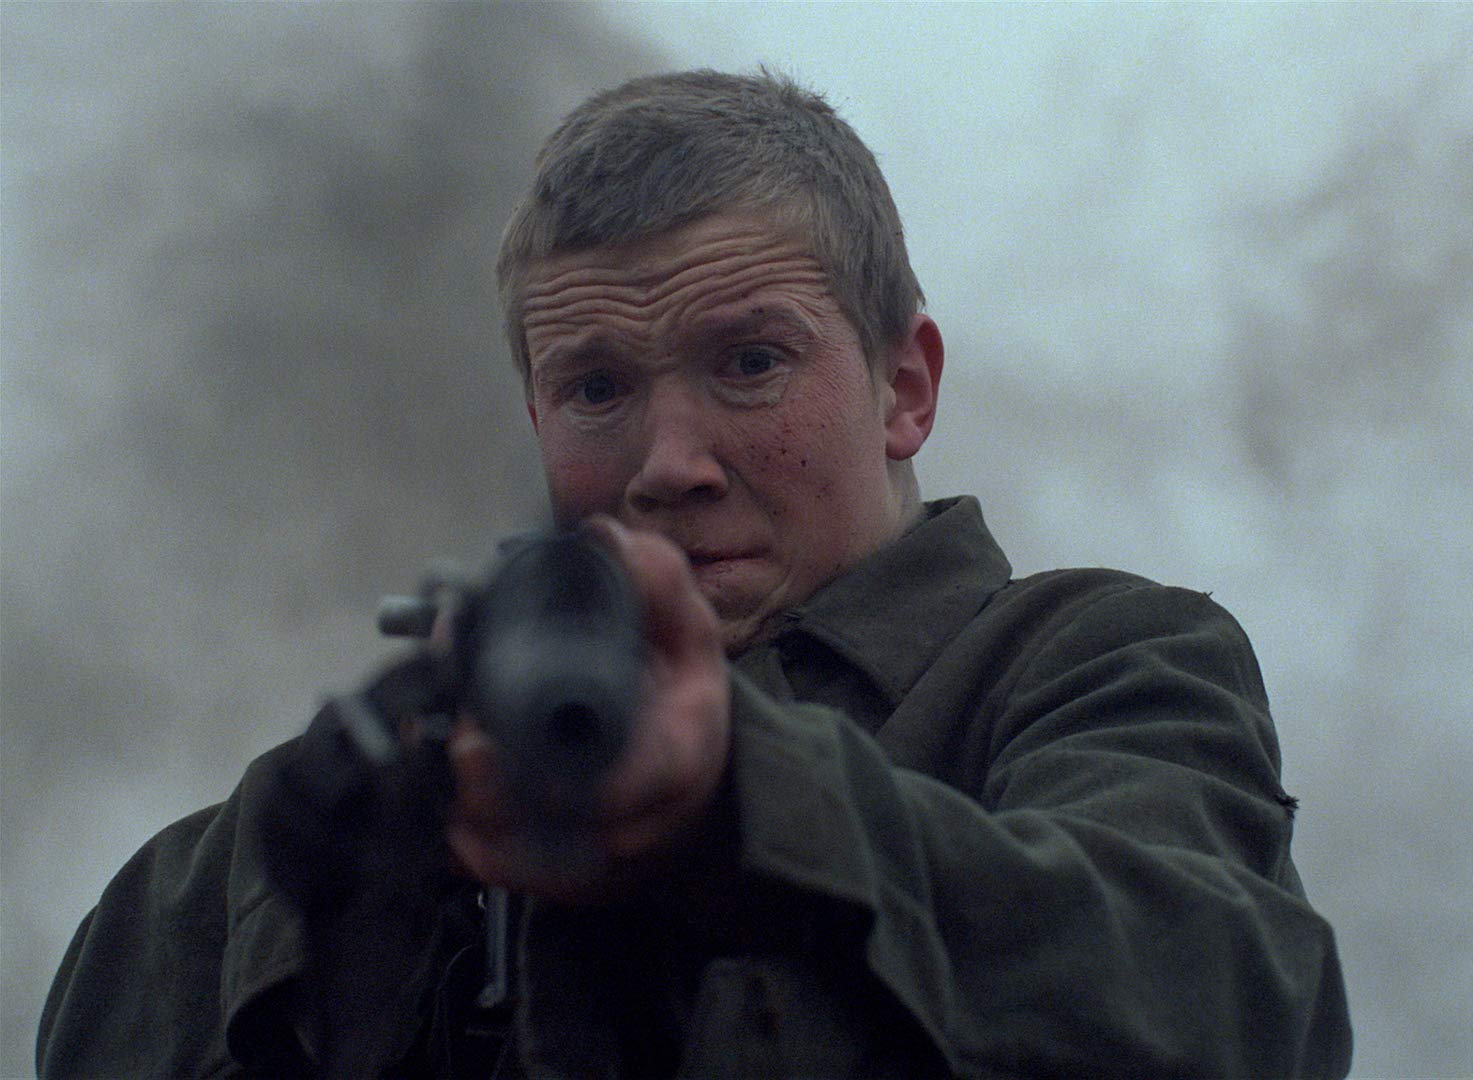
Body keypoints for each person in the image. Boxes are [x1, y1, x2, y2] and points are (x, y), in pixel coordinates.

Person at [38, 69, 1352, 1078]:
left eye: (749, 362)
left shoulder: (1091, 662)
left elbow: (1226, 1003)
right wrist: (317, 902)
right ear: (538, 422)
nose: (668, 463)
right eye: (597, 387)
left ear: (904, 387)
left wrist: (738, 810)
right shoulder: (410, 782)